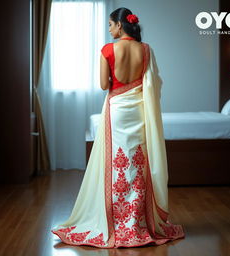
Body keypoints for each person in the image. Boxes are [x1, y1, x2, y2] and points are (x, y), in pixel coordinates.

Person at [51, 7, 185, 248]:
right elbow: (154, 82)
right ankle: (137, 221)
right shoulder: (146, 50)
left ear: (120, 25)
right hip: (139, 110)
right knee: (137, 163)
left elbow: (104, 85)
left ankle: (115, 220)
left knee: (116, 163)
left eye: (111, 25)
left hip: (117, 111)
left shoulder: (107, 49)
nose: (110, 29)